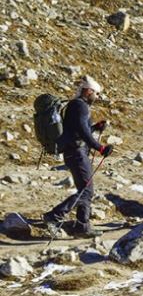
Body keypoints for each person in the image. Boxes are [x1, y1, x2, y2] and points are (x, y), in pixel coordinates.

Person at [43, 76, 113, 238]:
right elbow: (82, 130)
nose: (97, 97)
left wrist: (95, 127)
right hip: (77, 153)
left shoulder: (75, 105)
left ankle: (83, 225)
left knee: (85, 190)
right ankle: (54, 216)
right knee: (86, 191)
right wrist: (100, 148)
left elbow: (80, 129)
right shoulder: (80, 106)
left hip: (74, 152)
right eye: (96, 93)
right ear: (88, 91)